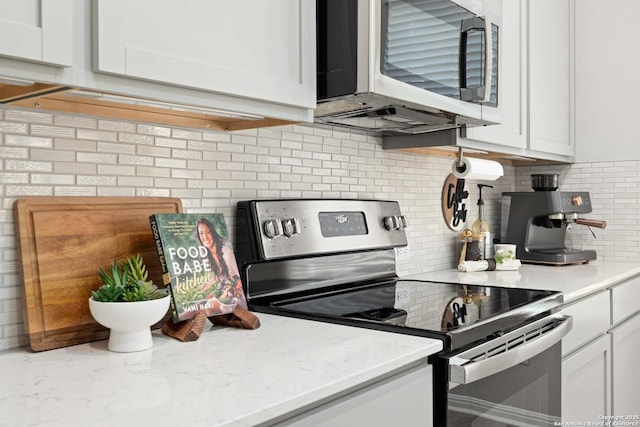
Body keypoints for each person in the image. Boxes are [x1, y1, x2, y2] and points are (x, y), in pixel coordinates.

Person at [195, 218, 246, 307]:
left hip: (237, 294)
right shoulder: (207, 255)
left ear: (213, 233)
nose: (205, 237)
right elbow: (221, 276)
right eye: (201, 233)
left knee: (207, 307)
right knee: (198, 304)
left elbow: (240, 278)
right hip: (225, 289)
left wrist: (228, 291)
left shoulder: (227, 254)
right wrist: (208, 284)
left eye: (208, 232)